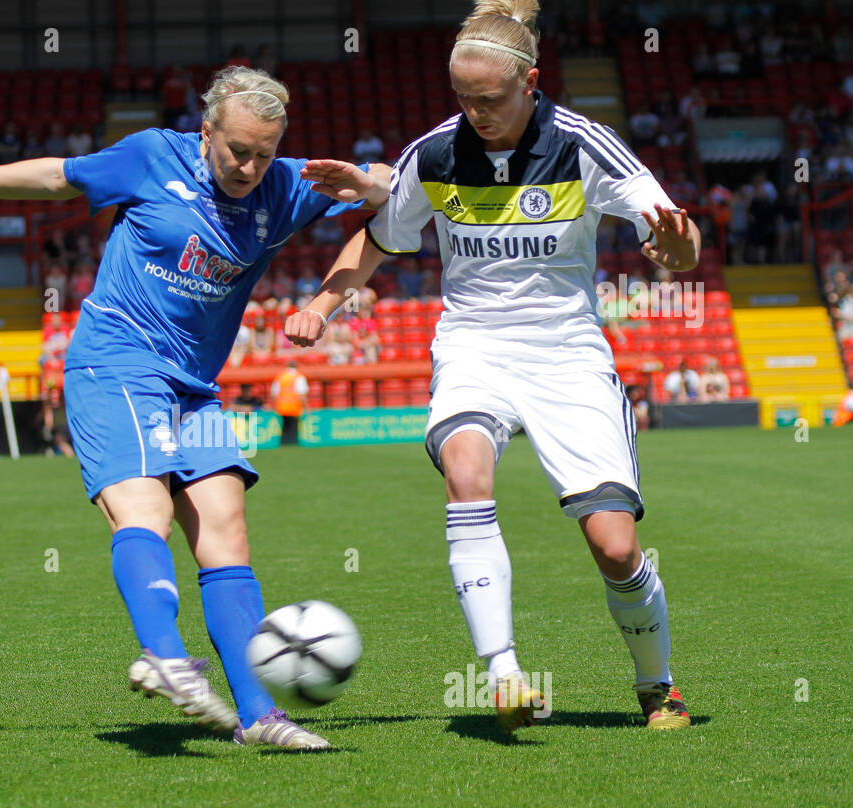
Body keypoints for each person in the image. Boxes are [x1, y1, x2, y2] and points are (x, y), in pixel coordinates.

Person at [0, 64, 390, 750]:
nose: (251, 167)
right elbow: (56, 177)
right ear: (206, 133)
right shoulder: (149, 156)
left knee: (228, 530)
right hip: (117, 363)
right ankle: (165, 656)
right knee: (148, 512)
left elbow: (392, 200)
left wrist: (368, 196)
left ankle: (260, 717)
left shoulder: (287, 187)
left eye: (263, 153)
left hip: (194, 384)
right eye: (238, 152)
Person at [285, 0, 700, 733]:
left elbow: (673, 235)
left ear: (531, 82)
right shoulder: (434, 154)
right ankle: (505, 677)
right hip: (474, 343)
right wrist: (322, 305)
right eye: (464, 100)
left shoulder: (583, 145)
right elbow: (378, 240)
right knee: (466, 473)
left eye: (490, 99)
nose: (475, 113)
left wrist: (678, 249)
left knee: (615, 545)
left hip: (567, 354)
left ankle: (657, 684)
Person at [270, 360, 308, 444]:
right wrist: (306, 407)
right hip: (294, 406)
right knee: (294, 428)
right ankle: (293, 443)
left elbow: (274, 393)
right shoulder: (299, 376)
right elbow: (302, 393)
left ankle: (284, 443)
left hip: (282, 406)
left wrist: (274, 406)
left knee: (285, 427)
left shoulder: (280, 376)